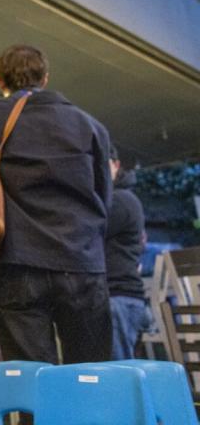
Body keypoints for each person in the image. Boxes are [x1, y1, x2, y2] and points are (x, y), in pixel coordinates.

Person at [0, 44, 113, 364]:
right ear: (45, 78)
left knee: (32, 382)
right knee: (93, 375)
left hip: (15, 263)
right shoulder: (89, 125)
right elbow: (104, 197)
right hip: (81, 263)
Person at [105, 146, 150, 359]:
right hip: (119, 298)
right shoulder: (120, 199)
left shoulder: (120, 200)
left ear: (116, 165)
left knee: (115, 372)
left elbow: (84, 233)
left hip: (119, 297)